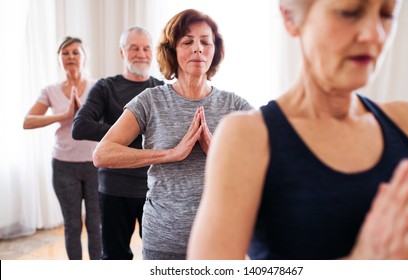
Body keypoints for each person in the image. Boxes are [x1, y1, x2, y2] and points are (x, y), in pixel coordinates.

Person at [188, 0, 408, 260]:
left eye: (387, 14)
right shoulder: (246, 137)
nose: (375, 34)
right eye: (350, 12)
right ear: (291, 18)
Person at [92, 9, 253, 260]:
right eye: (187, 41)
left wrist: (218, 153)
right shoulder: (151, 101)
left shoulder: (235, 105)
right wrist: (170, 154)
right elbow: (102, 154)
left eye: (205, 42)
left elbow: (270, 161)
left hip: (221, 239)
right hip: (163, 239)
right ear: (172, 51)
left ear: (215, 50)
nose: (198, 48)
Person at [72, 26, 164, 260]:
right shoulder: (105, 87)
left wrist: (121, 140)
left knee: (158, 256)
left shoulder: (162, 90)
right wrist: (130, 133)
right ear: (122, 53)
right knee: (114, 257)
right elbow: (80, 126)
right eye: (134, 48)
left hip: (155, 189)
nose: (141, 53)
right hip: (114, 188)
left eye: (146, 48)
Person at [23, 36, 101, 260]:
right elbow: (27, 121)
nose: (70, 57)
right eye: (65, 53)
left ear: (84, 57)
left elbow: (113, 122)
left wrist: (84, 116)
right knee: (72, 225)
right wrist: (64, 116)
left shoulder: (98, 87)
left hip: (96, 165)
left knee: (96, 225)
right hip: (64, 166)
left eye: (76, 52)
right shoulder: (50, 90)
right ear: (59, 59)